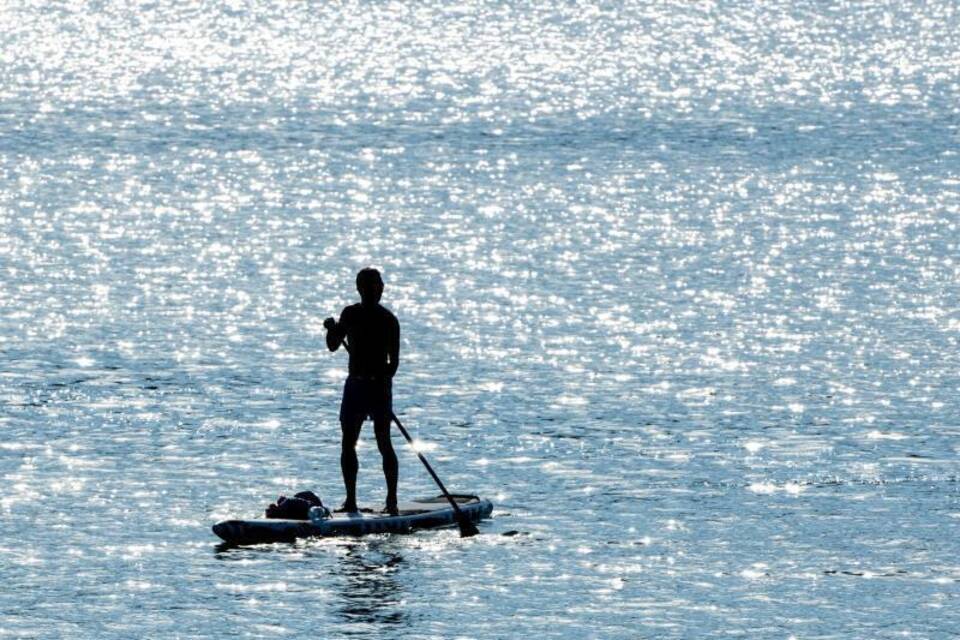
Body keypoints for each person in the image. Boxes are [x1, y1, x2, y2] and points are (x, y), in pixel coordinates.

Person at [323, 268, 401, 515]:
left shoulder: (389, 320)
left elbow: (394, 364)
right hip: (355, 386)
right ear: (360, 288)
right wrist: (332, 329)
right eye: (370, 286)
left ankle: (391, 502)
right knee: (348, 443)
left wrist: (379, 379)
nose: (376, 290)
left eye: (378, 286)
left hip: (378, 388)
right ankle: (351, 501)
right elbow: (333, 346)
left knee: (383, 442)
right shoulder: (350, 314)